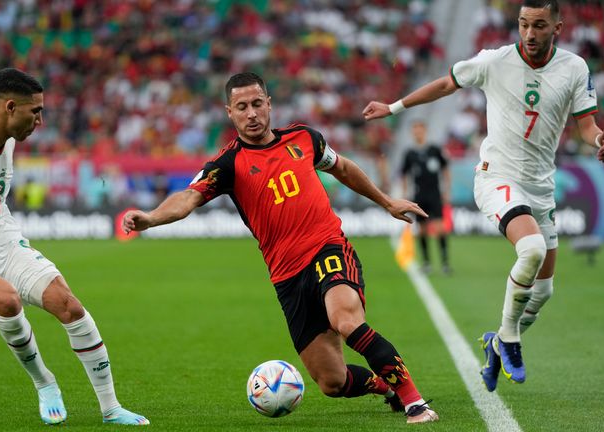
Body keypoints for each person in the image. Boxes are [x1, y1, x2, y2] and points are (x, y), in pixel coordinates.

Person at [123, 72, 439, 424]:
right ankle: (387, 387)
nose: (252, 113)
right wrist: (151, 218)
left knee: (346, 320)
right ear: (230, 112)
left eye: (257, 104)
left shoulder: (304, 139)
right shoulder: (228, 164)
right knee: (331, 381)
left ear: (269, 104)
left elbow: (344, 168)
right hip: (287, 277)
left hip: (327, 248)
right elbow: (188, 197)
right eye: (242, 107)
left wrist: (386, 201)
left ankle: (416, 404)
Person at [363, 0, 604, 393]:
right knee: (530, 250)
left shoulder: (574, 68)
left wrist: (599, 139)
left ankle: (498, 341)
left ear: (558, 27)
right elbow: (447, 82)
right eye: (523, 24)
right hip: (497, 177)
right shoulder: (494, 61)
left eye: (539, 25)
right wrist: (395, 107)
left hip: (541, 188)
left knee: (544, 290)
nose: (529, 34)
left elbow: (586, 125)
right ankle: (511, 340)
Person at [0, 68, 149, 426]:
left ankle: (111, 408)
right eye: (34, 111)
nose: (40, 121)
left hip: (0, 237)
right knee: (7, 300)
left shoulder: (5, 131)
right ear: (9, 107)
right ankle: (45, 383)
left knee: (68, 305)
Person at [401, 121, 452, 274]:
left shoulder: (434, 150)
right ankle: (427, 263)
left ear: (425, 131)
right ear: (412, 133)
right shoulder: (409, 153)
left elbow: (445, 169)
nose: (417, 132)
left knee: (439, 228)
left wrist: (447, 190)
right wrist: (405, 194)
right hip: (418, 196)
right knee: (422, 230)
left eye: (420, 129)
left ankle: (444, 263)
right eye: (415, 130)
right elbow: (404, 175)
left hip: (435, 195)